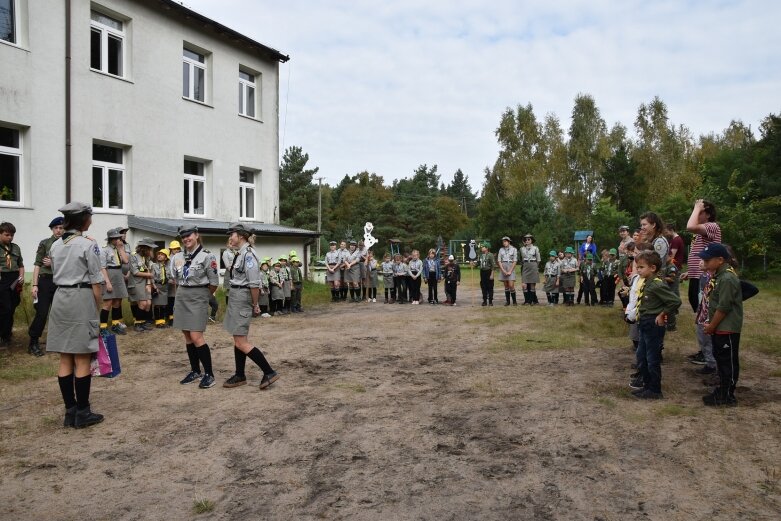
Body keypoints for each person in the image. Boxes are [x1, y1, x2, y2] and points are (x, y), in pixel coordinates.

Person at [47, 202, 104, 428]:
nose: (91, 220)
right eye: (90, 216)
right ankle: (83, 412)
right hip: (81, 297)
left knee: (65, 357)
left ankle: (69, 411)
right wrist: (96, 309)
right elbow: (96, 281)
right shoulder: (88, 245)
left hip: (60, 298)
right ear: (84, 220)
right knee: (81, 356)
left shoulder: (55, 245)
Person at [221, 223, 279, 390]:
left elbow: (254, 284)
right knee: (238, 338)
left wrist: (255, 304)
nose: (230, 237)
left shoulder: (248, 255)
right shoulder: (240, 253)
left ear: (240, 236)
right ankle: (240, 375)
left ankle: (269, 372)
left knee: (241, 341)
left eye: (231, 234)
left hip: (242, 297)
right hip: (236, 296)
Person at [171, 225, 219, 389]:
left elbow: (214, 283)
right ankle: (195, 370)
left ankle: (209, 374)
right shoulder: (177, 256)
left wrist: (205, 297)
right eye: (183, 237)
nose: (186, 239)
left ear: (196, 235)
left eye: (189, 235)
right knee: (187, 335)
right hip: (182, 294)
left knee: (196, 336)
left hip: (199, 295)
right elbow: (176, 278)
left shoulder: (207, 256)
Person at [630, 250, 681, 400]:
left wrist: (661, 314)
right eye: (637, 267)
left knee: (652, 358)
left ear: (652, 268)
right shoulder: (646, 282)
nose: (638, 270)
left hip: (653, 324)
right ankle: (647, 385)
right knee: (642, 355)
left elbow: (675, 301)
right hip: (644, 322)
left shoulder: (657, 285)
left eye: (641, 267)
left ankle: (655, 389)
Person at [699, 243, 743, 406]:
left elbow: (724, 307)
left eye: (707, 260)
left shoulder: (727, 278)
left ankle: (727, 396)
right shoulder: (718, 276)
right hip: (720, 327)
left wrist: (711, 326)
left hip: (727, 328)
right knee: (721, 360)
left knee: (727, 363)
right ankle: (721, 390)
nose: (704, 262)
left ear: (720, 260)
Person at [28, 217, 65, 355]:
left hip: (60, 281)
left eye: (61, 228)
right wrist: (34, 284)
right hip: (44, 281)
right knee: (42, 313)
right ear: (52, 229)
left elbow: (70, 263)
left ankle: (57, 342)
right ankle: (33, 342)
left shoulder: (67, 244)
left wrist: (53, 263)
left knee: (59, 313)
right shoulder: (44, 243)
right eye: (56, 228)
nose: (59, 231)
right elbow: (38, 264)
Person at [683, 199, 722, 314]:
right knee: (695, 301)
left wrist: (697, 207)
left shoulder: (712, 226)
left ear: (708, 215)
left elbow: (689, 227)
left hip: (705, 275)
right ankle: (703, 325)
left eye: (700, 212)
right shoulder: (700, 231)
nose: (696, 214)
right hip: (697, 274)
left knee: (703, 305)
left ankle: (707, 326)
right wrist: (690, 272)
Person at [99, 228, 130, 335]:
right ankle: (102, 327)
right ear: (110, 239)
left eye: (118, 238)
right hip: (109, 274)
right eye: (116, 238)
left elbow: (126, 261)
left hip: (118, 274)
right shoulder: (104, 249)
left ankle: (115, 324)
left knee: (117, 301)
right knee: (108, 302)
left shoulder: (119, 248)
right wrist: (107, 282)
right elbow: (102, 267)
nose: (118, 240)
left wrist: (121, 248)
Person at [0, 222, 24, 349]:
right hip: (2, 279)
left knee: (13, 306)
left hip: (14, 278)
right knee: (5, 308)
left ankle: (7, 334)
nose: (10, 237)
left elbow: (20, 265)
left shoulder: (15, 248)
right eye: (7, 235)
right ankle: (3, 335)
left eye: (12, 235)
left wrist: (21, 277)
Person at [129, 238, 157, 332]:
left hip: (144, 283)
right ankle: (137, 324)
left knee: (145, 304)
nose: (151, 251)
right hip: (136, 283)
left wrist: (149, 283)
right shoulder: (134, 256)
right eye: (150, 249)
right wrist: (149, 275)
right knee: (143, 303)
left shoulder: (146, 258)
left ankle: (142, 322)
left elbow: (147, 269)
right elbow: (135, 272)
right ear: (144, 248)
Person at [151, 248, 170, 328]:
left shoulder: (167, 267)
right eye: (158, 254)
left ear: (165, 258)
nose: (159, 255)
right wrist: (154, 287)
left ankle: (162, 321)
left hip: (164, 287)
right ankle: (157, 321)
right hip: (157, 286)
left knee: (163, 305)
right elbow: (151, 277)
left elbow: (168, 276)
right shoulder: (154, 266)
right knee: (157, 305)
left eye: (162, 255)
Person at [520, 234, 541, 305]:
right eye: (525, 239)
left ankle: (532, 301)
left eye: (528, 239)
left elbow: (538, 259)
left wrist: (535, 266)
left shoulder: (535, 248)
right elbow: (522, 258)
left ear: (532, 240)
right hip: (525, 266)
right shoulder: (522, 249)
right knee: (524, 285)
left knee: (532, 284)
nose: (527, 241)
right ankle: (527, 300)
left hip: (533, 265)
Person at [497, 236, 518, 306]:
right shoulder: (501, 250)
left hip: (510, 266)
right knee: (506, 285)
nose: (504, 243)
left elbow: (515, 261)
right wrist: (503, 270)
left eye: (505, 241)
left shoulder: (514, 249)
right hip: (503, 266)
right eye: (503, 241)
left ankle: (514, 301)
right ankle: (508, 301)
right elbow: (499, 260)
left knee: (511, 285)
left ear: (509, 242)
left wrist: (510, 271)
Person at [166, 240, 181, 326]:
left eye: (177, 248)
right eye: (174, 249)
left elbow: (180, 269)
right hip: (170, 282)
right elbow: (167, 270)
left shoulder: (180, 258)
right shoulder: (168, 258)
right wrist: (170, 278)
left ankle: (177, 317)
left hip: (178, 282)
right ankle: (170, 318)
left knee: (178, 300)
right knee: (171, 300)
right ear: (171, 249)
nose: (176, 250)